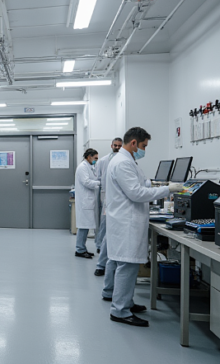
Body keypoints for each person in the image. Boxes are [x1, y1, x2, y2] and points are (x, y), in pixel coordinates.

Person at [102, 127, 184, 327]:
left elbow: (138, 184)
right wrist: (166, 190)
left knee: (128, 266)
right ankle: (119, 311)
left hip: (126, 220)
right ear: (133, 143)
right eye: (144, 146)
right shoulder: (123, 163)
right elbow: (136, 193)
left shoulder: (126, 160)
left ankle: (126, 303)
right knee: (127, 265)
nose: (144, 150)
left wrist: (156, 185)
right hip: (126, 222)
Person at [93, 137, 123, 276]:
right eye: (115, 145)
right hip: (107, 196)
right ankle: (99, 247)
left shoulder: (125, 161)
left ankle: (104, 261)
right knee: (104, 224)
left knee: (109, 229)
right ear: (111, 145)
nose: (117, 147)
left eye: (119, 146)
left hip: (117, 198)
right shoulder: (103, 160)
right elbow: (98, 177)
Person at [74, 148, 100, 259]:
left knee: (85, 226)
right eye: (95, 158)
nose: (96, 160)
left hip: (88, 200)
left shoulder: (89, 166)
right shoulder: (82, 167)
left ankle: (82, 249)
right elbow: (86, 182)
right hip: (85, 201)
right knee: (83, 226)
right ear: (89, 157)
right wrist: (100, 183)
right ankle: (80, 250)